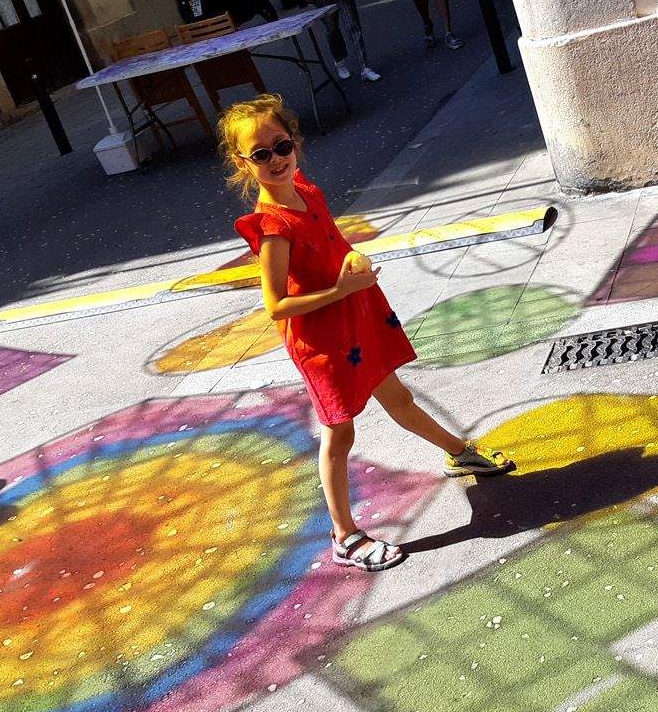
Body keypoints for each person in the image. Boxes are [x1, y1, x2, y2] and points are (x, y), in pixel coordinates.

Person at [218, 94, 514, 572]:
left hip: (351, 322)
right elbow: (277, 307)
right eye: (260, 154)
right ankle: (345, 536)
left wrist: (352, 263)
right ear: (242, 163)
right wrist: (342, 287)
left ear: (294, 143)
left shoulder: (307, 191)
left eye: (281, 145)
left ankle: (461, 455)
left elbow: (330, 248)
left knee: (398, 400)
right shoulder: (272, 227)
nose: (275, 159)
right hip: (319, 343)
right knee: (339, 433)